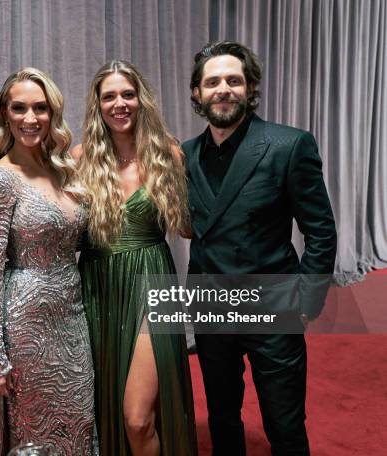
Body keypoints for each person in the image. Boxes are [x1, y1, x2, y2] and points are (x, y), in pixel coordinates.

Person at [183, 40, 337, 455]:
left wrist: (307, 301)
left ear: (250, 88)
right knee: (221, 418)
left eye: (234, 80)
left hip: (273, 306)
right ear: (197, 93)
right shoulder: (185, 155)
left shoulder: (288, 145)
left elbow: (321, 230)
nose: (223, 89)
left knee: (283, 423)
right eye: (212, 81)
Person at [73, 60, 197, 456]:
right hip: (98, 286)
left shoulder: (169, 155)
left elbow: (190, 229)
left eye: (127, 94)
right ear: (98, 105)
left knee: (137, 417)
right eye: (109, 96)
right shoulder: (80, 159)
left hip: (153, 282)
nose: (119, 103)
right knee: (106, 406)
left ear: (141, 99)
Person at [0, 68, 95, 455]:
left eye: (40, 108)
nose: (30, 118)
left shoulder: (63, 171)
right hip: (24, 324)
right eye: (19, 108)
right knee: (33, 434)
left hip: (72, 318)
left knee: (79, 422)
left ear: (53, 113)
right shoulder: (0, 178)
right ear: (4, 114)